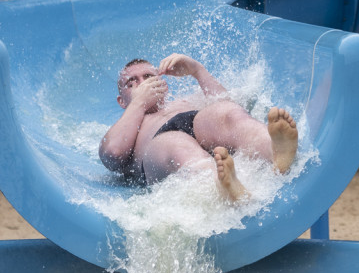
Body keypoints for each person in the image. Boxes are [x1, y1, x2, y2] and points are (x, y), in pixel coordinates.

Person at [99, 54, 298, 201]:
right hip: (160, 145)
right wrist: (139, 102)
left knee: (225, 111)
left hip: (195, 121)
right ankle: (221, 187)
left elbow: (233, 104)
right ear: (121, 101)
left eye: (149, 77)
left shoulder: (185, 101)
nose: (143, 84)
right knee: (177, 144)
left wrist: (197, 70)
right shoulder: (129, 126)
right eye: (131, 83)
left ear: (162, 83)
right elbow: (112, 153)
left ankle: (274, 151)